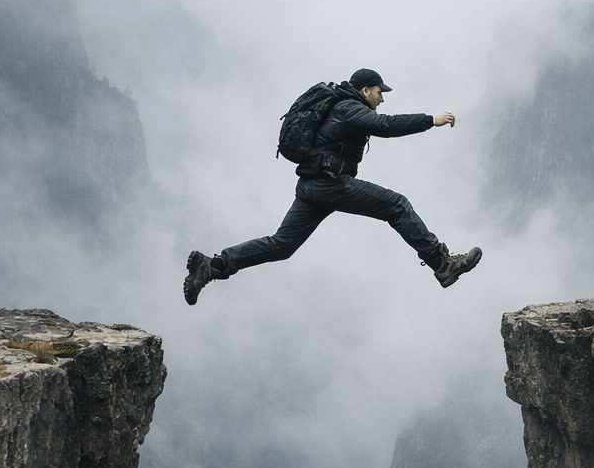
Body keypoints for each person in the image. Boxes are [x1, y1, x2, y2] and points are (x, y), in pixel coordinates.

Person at [183, 68, 482, 304]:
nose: (382, 99)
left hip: (312, 186)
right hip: (329, 184)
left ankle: (213, 266)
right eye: (379, 93)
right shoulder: (349, 107)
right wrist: (431, 119)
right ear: (365, 90)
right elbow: (385, 126)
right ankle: (442, 264)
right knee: (397, 205)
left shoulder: (340, 106)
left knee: (282, 245)